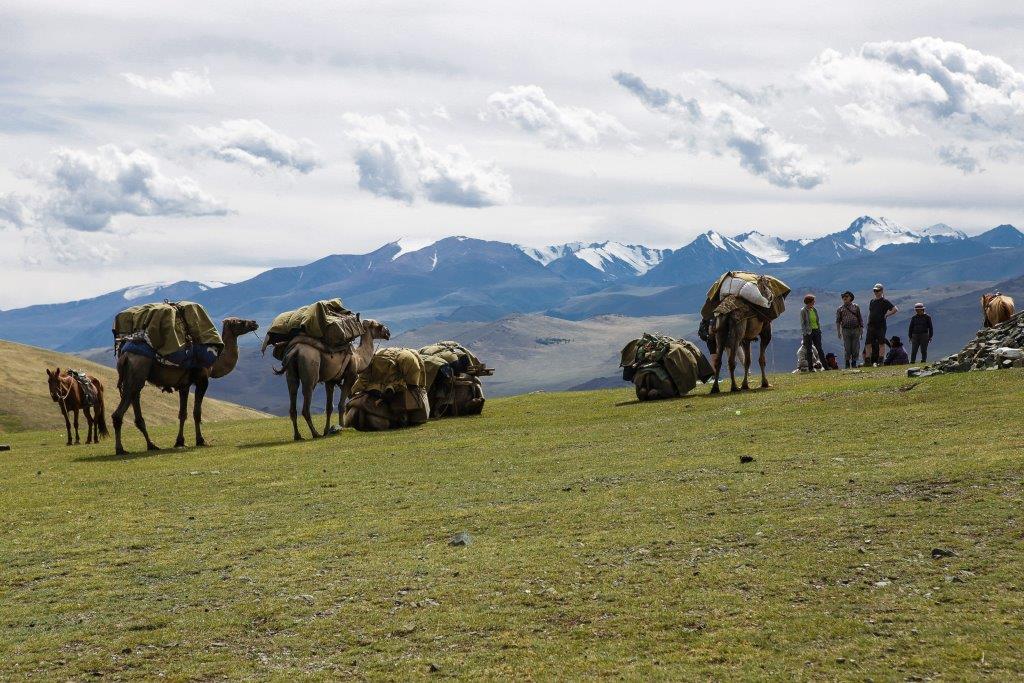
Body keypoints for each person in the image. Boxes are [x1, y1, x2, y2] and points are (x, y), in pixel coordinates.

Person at [866, 284, 898, 366]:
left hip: (880, 325)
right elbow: (871, 312)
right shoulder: (872, 301)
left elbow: (895, 309)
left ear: (882, 291)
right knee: (868, 343)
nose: (876, 292)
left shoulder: (885, 301)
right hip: (871, 325)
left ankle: (880, 361)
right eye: (875, 291)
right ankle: (867, 361)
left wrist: (887, 315)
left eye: (878, 290)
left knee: (881, 343)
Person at [835, 290, 864, 368]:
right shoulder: (840, 309)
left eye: (846, 296)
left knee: (855, 347)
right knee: (847, 347)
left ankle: (854, 362)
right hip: (846, 330)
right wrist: (838, 332)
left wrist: (861, 328)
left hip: (855, 329)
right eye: (843, 297)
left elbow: (860, 318)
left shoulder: (856, 307)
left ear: (851, 298)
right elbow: (838, 321)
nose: (844, 298)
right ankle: (847, 362)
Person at [800, 294, 828, 372]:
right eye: (813, 301)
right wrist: (806, 333)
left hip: (816, 331)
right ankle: (810, 368)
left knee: (819, 349)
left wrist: (819, 329)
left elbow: (817, 320)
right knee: (809, 350)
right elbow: (802, 323)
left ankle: (826, 367)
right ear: (809, 302)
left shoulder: (814, 309)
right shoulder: (803, 310)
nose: (814, 302)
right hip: (808, 332)